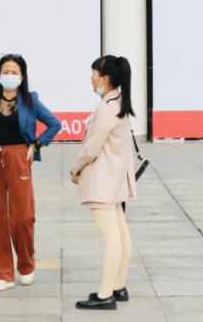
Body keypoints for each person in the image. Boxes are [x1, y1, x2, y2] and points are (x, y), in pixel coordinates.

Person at [0, 54, 62, 291]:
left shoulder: (30, 100)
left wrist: (36, 145)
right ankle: (2, 273)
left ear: (22, 76)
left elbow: (54, 124)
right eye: (5, 71)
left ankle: (26, 264)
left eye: (14, 72)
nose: (9, 75)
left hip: (20, 157)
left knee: (23, 217)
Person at [71, 56, 136, 311]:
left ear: (105, 79)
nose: (91, 79)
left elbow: (92, 147)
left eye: (94, 74)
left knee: (112, 238)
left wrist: (75, 167)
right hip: (114, 180)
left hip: (103, 181)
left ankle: (105, 294)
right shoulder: (117, 101)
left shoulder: (107, 108)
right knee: (120, 233)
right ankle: (118, 286)